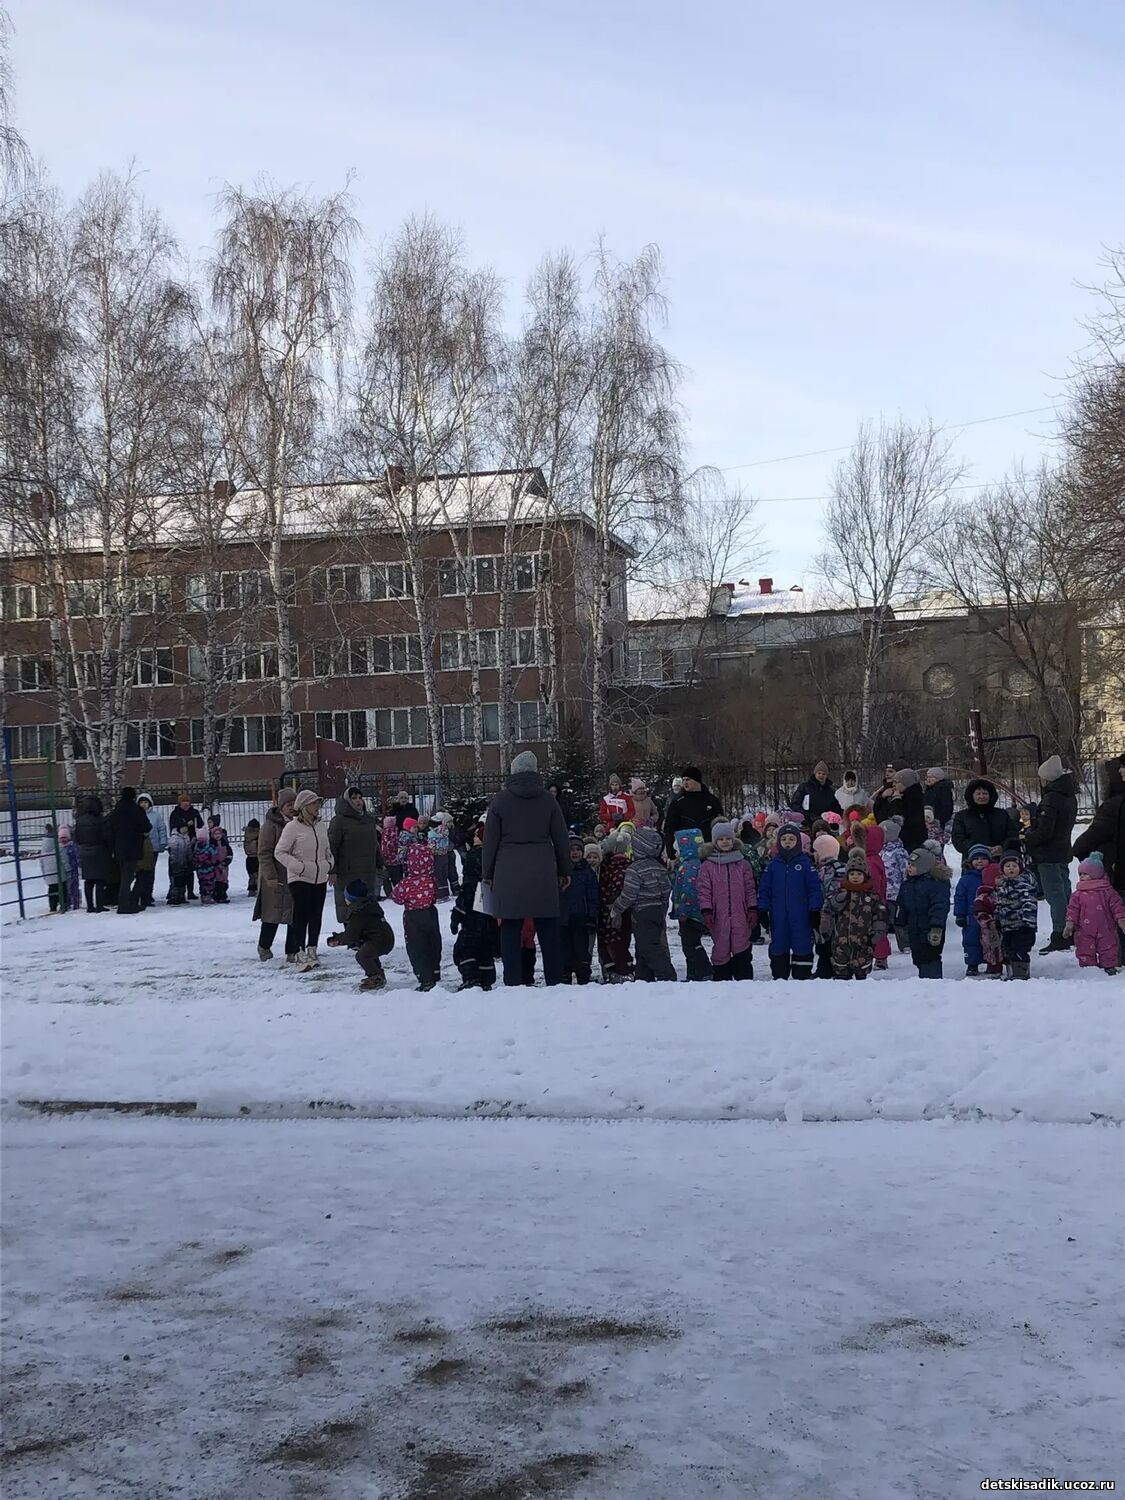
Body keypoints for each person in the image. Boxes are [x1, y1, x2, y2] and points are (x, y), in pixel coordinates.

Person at [482, 750, 571, 988]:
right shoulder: (548, 800)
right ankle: (555, 981)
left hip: (507, 871)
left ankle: (512, 981)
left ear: (513, 771)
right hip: (543, 870)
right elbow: (561, 839)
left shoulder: (500, 801)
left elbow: (490, 842)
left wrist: (487, 874)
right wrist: (565, 871)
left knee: (510, 928)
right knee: (548, 928)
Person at [274, 790, 334, 973]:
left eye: (318, 803)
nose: (317, 807)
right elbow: (279, 852)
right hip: (300, 878)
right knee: (301, 915)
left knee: (316, 914)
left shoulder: (321, 826)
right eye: (314, 803)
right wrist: (297, 866)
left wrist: (329, 863)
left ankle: (312, 949)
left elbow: (327, 849)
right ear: (304, 807)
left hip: (319, 876)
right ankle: (298, 951)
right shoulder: (292, 827)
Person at [1024, 755, 1079, 955]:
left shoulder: (1051, 799)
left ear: (1047, 778)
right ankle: (1072, 928)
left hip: (1048, 853)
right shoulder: (1069, 796)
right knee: (1064, 890)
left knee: (1054, 894)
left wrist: (1029, 834)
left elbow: (1045, 831)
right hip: (1062, 850)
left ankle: (1060, 934)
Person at [757, 824, 823, 981]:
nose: (788, 842)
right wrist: (762, 909)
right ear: (779, 842)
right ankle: (780, 974)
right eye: (784, 839)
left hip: (801, 914)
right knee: (779, 943)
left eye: (792, 839)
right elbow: (765, 888)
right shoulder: (773, 865)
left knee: (802, 943)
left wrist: (815, 910)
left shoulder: (805, 864)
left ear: (798, 842)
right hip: (778, 914)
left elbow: (814, 888)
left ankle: (802, 974)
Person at [611, 826, 676, 981]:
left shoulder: (634, 869)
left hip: (642, 912)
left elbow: (629, 894)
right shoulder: (660, 868)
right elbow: (666, 890)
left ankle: (667, 975)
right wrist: (662, 909)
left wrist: (616, 908)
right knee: (642, 946)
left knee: (649, 947)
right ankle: (643, 977)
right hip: (657, 911)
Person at [697, 821, 757, 981]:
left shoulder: (743, 864)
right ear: (715, 841)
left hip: (740, 913)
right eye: (721, 839)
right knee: (721, 946)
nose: (725, 842)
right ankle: (722, 978)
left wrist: (752, 908)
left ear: (733, 840)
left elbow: (750, 888)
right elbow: (703, 890)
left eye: (728, 838)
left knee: (741, 945)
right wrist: (707, 910)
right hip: (719, 914)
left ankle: (743, 978)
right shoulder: (708, 866)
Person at [820, 847, 887, 981]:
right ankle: (842, 977)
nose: (855, 877)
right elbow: (829, 908)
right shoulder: (841, 893)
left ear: (865, 876)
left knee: (862, 965)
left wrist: (878, 932)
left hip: (863, 940)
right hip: (841, 939)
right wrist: (837, 901)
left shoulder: (871, 896)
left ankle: (861, 980)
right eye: (852, 874)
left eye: (859, 874)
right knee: (841, 965)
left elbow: (880, 914)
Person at [327, 786, 382, 940]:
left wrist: (380, 861)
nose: (358, 801)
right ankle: (352, 937)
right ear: (347, 801)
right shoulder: (339, 821)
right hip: (348, 871)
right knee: (350, 905)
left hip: (367, 869)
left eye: (360, 797)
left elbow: (374, 843)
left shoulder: (368, 819)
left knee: (367, 903)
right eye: (354, 798)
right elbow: (332, 847)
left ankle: (367, 935)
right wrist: (332, 869)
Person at [451, 820, 499, 992]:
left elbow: (468, 888)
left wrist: (457, 913)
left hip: (474, 909)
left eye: (477, 836)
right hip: (491, 907)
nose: (474, 838)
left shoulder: (474, 857)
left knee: (466, 947)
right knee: (485, 946)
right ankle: (487, 978)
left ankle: (471, 978)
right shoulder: (496, 857)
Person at [1073, 754, 1125, 900]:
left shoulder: (1114, 805)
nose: (1121, 770)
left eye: (1123, 767)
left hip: (1117, 873)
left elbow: (1089, 838)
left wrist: (1093, 858)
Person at [392, 839, 441, 991]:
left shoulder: (406, 883)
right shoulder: (431, 880)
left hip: (413, 917)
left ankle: (425, 978)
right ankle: (434, 971)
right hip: (430, 913)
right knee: (433, 943)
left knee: (417, 947)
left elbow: (396, 897)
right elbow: (435, 895)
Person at [255, 788, 299, 960]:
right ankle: (264, 946)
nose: (292, 807)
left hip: (296, 875)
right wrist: (270, 875)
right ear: (281, 807)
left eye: (294, 803)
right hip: (276, 877)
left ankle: (293, 951)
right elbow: (264, 853)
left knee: (295, 915)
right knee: (272, 915)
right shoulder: (270, 826)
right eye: (288, 805)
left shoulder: (300, 823)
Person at [895, 847, 951, 979]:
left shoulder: (936, 884)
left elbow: (940, 906)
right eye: (909, 864)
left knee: (931, 956)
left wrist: (937, 926)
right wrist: (899, 921)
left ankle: (933, 981)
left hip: (931, 928)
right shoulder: (907, 885)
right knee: (918, 956)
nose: (909, 867)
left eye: (913, 865)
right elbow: (902, 904)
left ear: (923, 867)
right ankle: (923, 980)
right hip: (914, 928)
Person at [1064, 858, 1125, 975]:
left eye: (1085, 874)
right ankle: (1088, 968)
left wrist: (1121, 919)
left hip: (1106, 927)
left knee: (1108, 947)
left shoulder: (1107, 891)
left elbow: (1117, 906)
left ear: (1096, 874)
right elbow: (1072, 909)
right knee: (1085, 947)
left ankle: (1109, 965)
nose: (1082, 876)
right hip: (1084, 929)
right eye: (1080, 874)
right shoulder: (1078, 894)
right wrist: (1070, 923)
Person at [672, 828, 712, 981]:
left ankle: (703, 970)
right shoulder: (695, 863)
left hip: (690, 913)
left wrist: (683, 911)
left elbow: (689, 891)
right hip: (693, 911)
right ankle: (693, 972)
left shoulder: (689, 866)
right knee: (689, 943)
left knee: (691, 943)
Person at [341, 879, 395, 990]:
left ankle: (376, 977)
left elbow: (351, 935)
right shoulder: (369, 905)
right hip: (385, 938)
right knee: (368, 952)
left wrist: (339, 939)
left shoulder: (358, 912)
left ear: (351, 898)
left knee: (362, 955)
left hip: (380, 940)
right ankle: (378, 974)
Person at [559, 835, 599, 985]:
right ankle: (565, 975)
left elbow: (593, 896)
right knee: (565, 950)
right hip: (563, 917)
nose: (575, 852)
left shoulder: (588, 872)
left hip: (581, 917)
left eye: (578, 850)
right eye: (572, 850)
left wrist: (592, 916)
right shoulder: (561, 871)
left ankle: (583, 976)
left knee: (581, 950)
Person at [950, 779, 1017, 865]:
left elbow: (1012, 835)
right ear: (972, 796)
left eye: (985, 793)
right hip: (972, 863)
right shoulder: (962, 816)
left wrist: (1003, 847)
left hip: (1000, 862)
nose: (982, 796)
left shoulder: (1002, 814)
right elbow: (958, 839)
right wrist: (977, 849)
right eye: (978, 794)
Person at [663, 766, 724, 858]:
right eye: (683, 780)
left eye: (688, 779)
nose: (685, 783)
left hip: (710, 849)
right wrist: (670, 851)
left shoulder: (711, 800)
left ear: (697, 780)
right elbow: (669, 827)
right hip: (686, 850)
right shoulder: (678, 802)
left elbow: (721, 823)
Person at [995, 851, 1038, 981]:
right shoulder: (1003, 886)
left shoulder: (1024, 885)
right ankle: (1012, 972)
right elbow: (999, 904)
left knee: (1019, 949)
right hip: (1007, 926)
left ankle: (1021, 973)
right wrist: (997, 919)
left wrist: (1028, 924)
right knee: (1009, 949)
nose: (1011, 869)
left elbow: (1029, 904)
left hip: (1022, 926)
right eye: (1007, 866)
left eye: (1014, 866)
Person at [597, 831, 634, 982]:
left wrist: (612, 904)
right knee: (619, 941)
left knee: (613, 941)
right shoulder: (622, 864)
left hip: (612, 910)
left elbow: (616, 888)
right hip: (617, 909)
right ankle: (620, 968)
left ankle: (621, 970)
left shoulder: (613, 865)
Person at [109, 787, 152, 915]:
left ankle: (124, 902)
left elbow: (110, 828)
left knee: (124, 876)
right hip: (133, 847)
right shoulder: (136, 810)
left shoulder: (116, 811)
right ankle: (125, 905)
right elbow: (147, 826)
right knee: (128, 877)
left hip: (119, 847)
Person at [812, 834, 847, 977]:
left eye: (815, 851)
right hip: (827, 912)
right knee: (824, 943)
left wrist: (825, 911)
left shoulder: (834, 870)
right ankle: (825, 968)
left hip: (833, 913)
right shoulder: (823, 869)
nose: (813, 854)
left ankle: (829, 969)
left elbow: (833, 892)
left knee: (829, 943)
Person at [954, 845, 992, 976]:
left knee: (991, 938)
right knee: (971, 940)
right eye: (976, 859)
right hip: (971, 915)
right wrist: (960, 914)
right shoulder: (965, 879)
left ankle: (992, 962)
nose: (979, 861)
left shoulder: (992, 877)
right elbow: (960, 897)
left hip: (989, 915)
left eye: (983, 858)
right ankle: (972, 964)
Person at [75, 795, 114, 913]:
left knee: (88, 881)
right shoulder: (101, 820)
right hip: (99, 851)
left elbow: (77, 837)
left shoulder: (80, 821)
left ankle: (90, 905)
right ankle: (99, 905)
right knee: (100, 880)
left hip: (85, 851)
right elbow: (106, 836)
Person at [169, 794, 205, 900]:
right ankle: (178, 891)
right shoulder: (175, 813)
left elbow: (200, 825)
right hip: (180, 843)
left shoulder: (194, 812)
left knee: (190, 868)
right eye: (183, 801)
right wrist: (185, 824)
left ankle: (190, 891)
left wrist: (196, 836)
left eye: (187, 801)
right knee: (179, 869)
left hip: (193, 842)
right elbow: (174, 826)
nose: (185, 803)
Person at [972, 864, 1005, 978]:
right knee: (992, 948)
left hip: (1004, 924)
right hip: (989, 928)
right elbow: (979, 911)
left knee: (1005, 946)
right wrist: (988, 921)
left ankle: (1009, 965)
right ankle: (993, 968)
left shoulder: (1005, 891)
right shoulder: (984, 895)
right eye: (998, 877)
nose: (1002, 879)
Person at [890, 769, 928, 852]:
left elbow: (902, 817)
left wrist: (896, 800)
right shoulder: (905, 795)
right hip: (909, 838)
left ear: (905, 783)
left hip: (912, 839)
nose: (893, 785)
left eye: (896, 782)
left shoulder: (914, 798)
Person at [193, 823, 229, 904]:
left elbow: (194, 858)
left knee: (202, 883)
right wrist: (216, 862)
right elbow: (214, 856)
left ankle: (204, 896)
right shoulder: (209, 846)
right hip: (209, 869)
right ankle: (209, 896)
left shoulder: (196, 847)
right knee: (210, 883)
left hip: (200, 870)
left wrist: (196, 865)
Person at [39, 823, 67, 912]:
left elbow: (41, 862)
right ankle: (63, 905)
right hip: (60, 873)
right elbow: (64, 860)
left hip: (49, 874)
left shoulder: (43, 849)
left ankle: (52, 906)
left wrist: (44, 874)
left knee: (52, 890)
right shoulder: (59, 847)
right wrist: (68, 870)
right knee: (62, 889)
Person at [243, 818, 260, 896]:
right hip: (257, 857)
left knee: (251, 875)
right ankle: (258, 890)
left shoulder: (247, 836)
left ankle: (251, 890)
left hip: (249, 858)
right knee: (257, 875)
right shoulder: (258, 835)